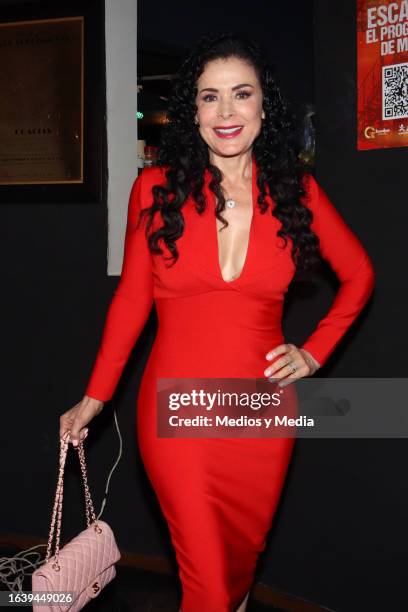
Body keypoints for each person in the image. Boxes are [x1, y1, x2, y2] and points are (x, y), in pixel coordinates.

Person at [59, 32, 375, 612]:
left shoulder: (296, 192)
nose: (226, 112)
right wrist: (96, 397)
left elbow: (360, 275)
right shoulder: (154, 190)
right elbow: (132, 301)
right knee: (205, 584)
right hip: (176, 411)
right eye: (210, 97)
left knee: (235, 572)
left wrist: (314, 352)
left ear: (264, 106)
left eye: (241, 94)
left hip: (262, 413)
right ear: (193, 110)